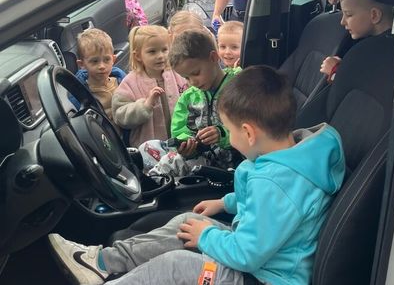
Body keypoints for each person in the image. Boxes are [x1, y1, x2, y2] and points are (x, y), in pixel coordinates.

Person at [48, 65, 346, 285]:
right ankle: (102, 262)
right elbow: (266, 208)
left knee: (176, 265)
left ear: (248, 133)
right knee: (187, 223)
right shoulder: (288, 157)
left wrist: (207, 236)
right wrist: (226, 203)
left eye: (229, 131)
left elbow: (247, 254)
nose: (229, 138)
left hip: (264, 277)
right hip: (260, 257)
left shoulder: (276, 183)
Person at [146, 28, 241, 177]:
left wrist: (222, 133)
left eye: (196, 73)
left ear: (213, 57)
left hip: (232, 161)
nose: (193, 82)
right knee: (148, 146)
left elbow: (252, 126)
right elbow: (179, 129)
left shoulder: (238, 87)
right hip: (200, 157)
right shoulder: (188, 97)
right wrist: (186, 144)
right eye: (186, 78)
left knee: (172, 161)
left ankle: (151, 184)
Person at [112, 25, 187, 147]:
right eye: (152, 51)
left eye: (164, 50)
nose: (160, 56)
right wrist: (145, 106)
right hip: (150, 150)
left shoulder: (179, 74)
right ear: (138, 56)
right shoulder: (130, 82)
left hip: (181, 143)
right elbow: (119, 115)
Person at [320, 0, 394, 82]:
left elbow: (363, 86)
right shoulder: (366, 45)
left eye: (348, 15)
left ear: (374, 15)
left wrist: (335, 72)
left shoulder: (382, 55)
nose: (342, 22)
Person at [69, 28, 126, 121]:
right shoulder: (82, 94)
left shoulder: (120, 80)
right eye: (94, 61)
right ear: (82, 64)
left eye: (107, 59)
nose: (102, 66)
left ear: (113, 60)